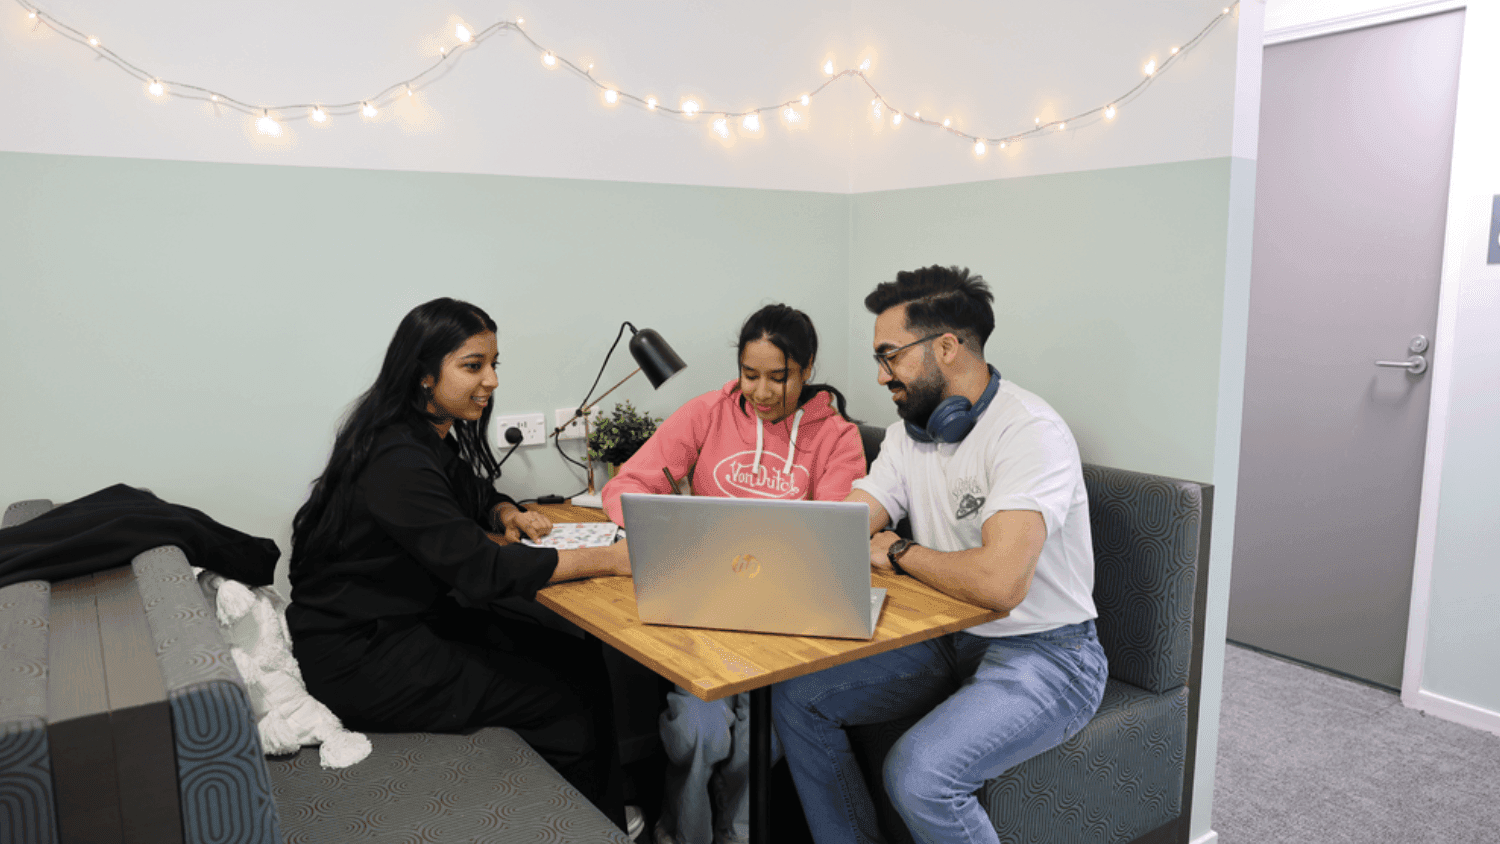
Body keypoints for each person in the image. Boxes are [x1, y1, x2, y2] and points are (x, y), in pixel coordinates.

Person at [772, 266, 1108, 844]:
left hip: (1049, 656)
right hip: (947, 639)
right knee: (799, 695)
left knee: (919, 775)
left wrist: (900, 552)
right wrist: (770, 553)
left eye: (890, 356)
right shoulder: (913, 431)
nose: (881, 376)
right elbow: (861, 512)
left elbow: (1001, 585)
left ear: (946, 347)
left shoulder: (1029, 433)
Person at [286, 297, 634, 833]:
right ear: (425, 374)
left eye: (494, 364)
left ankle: (607, 813)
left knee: (578, 655)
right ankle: (588, 825)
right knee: (566, 701)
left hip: (399, 625)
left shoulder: (415, 432)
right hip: (361, 657)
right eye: (473, 366)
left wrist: (503, 509)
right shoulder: (396, 459)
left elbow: (467, 491)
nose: (491, 380)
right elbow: (483, 574)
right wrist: (610, 559)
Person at [602, 303, 867, 844]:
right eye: (751, 375)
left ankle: (738, 833)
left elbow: (837, 535)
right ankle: (680, 834)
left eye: (780, 377)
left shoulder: (837, 437)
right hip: (705, 609)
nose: (763, 392)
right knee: (698, 731)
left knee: (758, 742)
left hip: (786, 621)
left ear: (808, 367)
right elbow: (627, 485)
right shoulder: (708, 412)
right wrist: (666, 529)